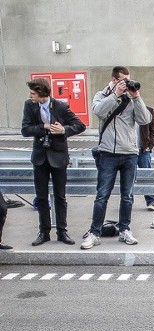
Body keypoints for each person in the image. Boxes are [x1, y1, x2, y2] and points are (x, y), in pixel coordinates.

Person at [81, 66, 152, 249]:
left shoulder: (131, 98)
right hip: (108, 153)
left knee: (127, 196)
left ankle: (124, 230)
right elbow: (98, 112)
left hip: (129, 153)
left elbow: (145, 120)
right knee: (102, 195)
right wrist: (115, 95)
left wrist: (136, 97)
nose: (127, 83)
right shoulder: (101, 95)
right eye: (123, 81)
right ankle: (94, 233)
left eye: (128, 80)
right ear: (114, 80)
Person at [20, 78, 86, 247]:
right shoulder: (30, 106)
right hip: (40, 157)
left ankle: (62, 231)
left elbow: (80, 125)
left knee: (60, 196)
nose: (30, 95)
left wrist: (64, 130)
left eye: (33, 93)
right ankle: (44, 232)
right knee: (41, 197)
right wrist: (45, 127)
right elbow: (25, 129)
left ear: (42, 93)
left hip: (58, 156)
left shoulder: (60, 106)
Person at [137, 104, 154, 211]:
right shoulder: (124, 110)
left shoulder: (148, 110)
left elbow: (153, 129)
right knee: (127, 177)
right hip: (128, 150)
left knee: (147, 176)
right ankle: (127, 201)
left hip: (143, 150)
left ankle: (151, 201)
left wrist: (150, 145)